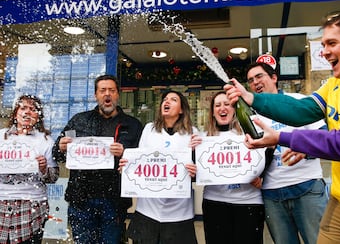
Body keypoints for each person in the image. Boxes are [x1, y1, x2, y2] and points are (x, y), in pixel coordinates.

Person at [225, 10, 340, 243]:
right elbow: (303, 110)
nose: (324, 52)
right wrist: (252, 98)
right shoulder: (337, 82)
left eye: (331, 43)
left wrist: (281, 137)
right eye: (323, 44)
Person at [52, 74, 143, 244]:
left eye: (111, 90)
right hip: (81, 199)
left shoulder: (132, 125)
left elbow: (142, 159)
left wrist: (126, 152)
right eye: (103, 90)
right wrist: (61, 146)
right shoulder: (79, 120)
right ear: (96, 95)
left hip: (114, 201)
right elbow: (56, 154)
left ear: (117, 94)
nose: (107, 94)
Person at [246, 61, 328, 244]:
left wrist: (305, 150)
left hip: (307, 187)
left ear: (274, 78)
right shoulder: (251, 113)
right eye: (250, 80)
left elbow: (324, 136)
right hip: (272, 194)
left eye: (259, 76)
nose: (255, 82)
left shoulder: (297, 100)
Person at [191, 91, 266, 244]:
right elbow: (195, 173)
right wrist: (192, 152)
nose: (222, 108)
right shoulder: (204, 138)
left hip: (248, 202)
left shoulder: (251, 132)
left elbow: (266, 156)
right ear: (212, 112)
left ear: (234, 108)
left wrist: (261, 176)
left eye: (227, 104)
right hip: (215, 203)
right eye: (217, 105)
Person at [124, 90, 198, 244]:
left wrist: (195, 169)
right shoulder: (149, 129)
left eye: (173, 99)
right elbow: (139, 161)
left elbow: (200, 170)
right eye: (165, 99)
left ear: (182, 109)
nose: (167, 101)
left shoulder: (193, 133)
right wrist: (127, 166)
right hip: (148, 210)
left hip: (179, 212)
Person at [0, 94, 59, 244]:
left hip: (32, 204)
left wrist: (44, 168)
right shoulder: (1, 136)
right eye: (23, 108)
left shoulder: (45, 140)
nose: (27, 112)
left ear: (38, 116)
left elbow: (53, 177)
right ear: (15, 113)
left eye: (32, 109)